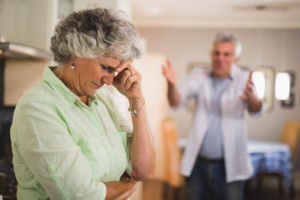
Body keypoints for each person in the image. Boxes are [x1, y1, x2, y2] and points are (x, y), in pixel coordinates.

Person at [10, 8, 156, 200]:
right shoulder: (37, 107)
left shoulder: (106, 101)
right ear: (76, 52)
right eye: (105, 67)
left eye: (115, 70)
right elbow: (80, 196)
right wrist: (125, 186)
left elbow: (144, 171)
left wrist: (136, 99)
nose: (110, 81)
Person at [162, 32, 264, 200]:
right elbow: (176, 102)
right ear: (211, 54)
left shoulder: (245, 79)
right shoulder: (198, 75)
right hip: (197, 165)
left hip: (231, 166)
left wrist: (252, 97)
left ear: (236, 58)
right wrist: (171, 85)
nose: (220, 58)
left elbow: (257, 110)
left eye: (226, 54)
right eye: (217, 53)